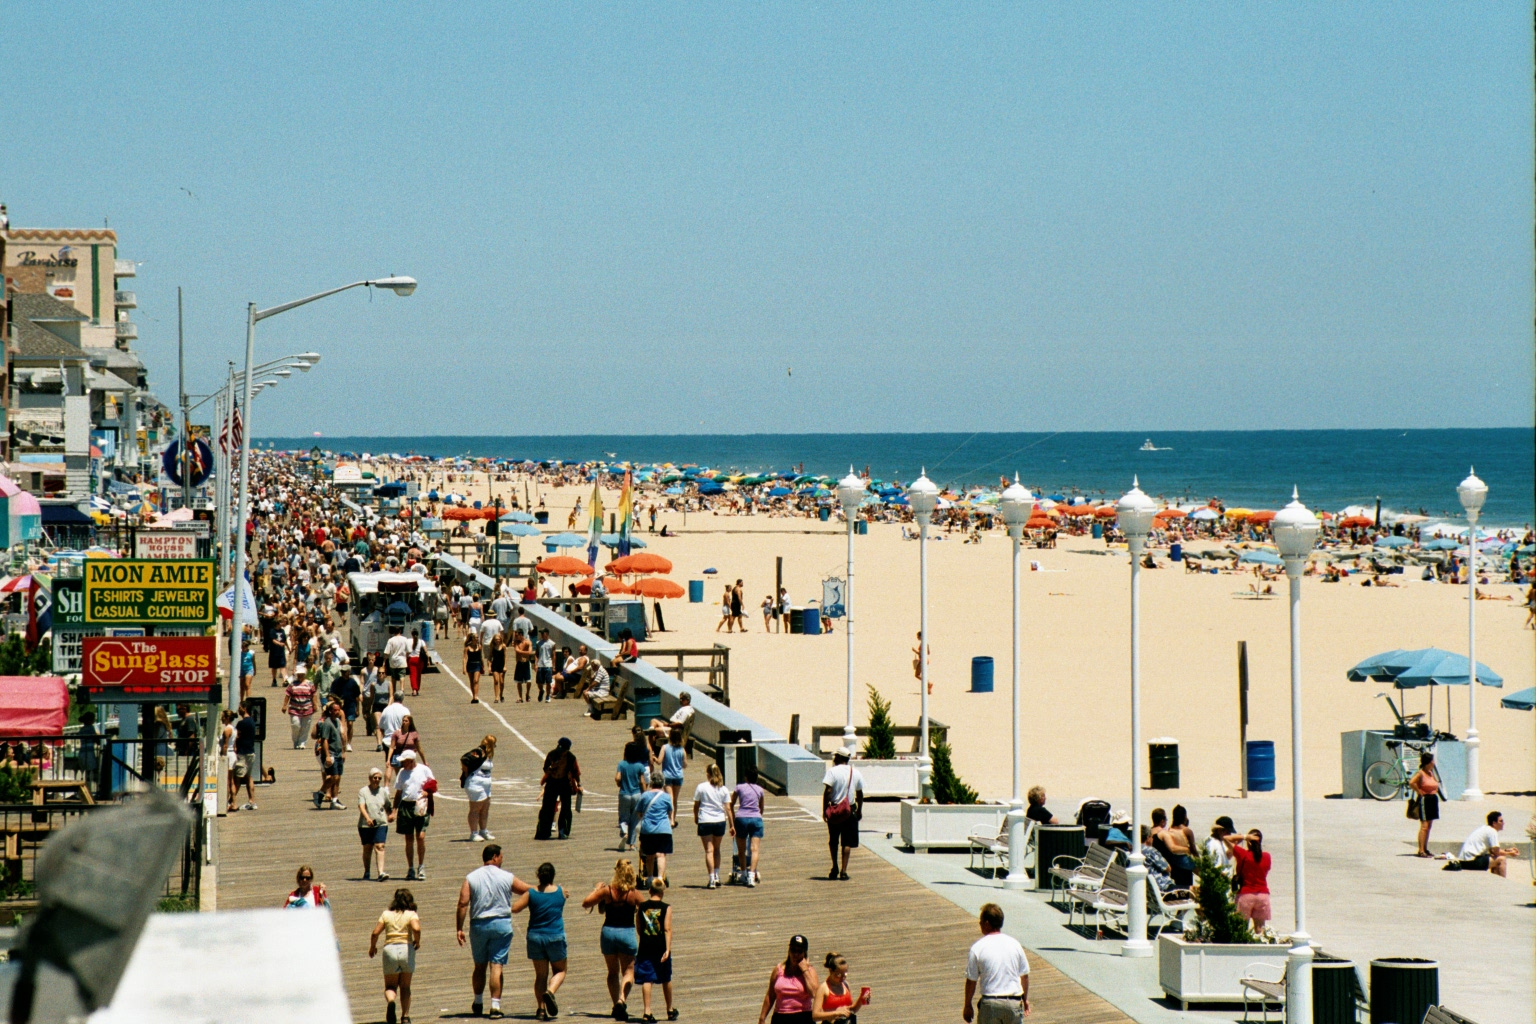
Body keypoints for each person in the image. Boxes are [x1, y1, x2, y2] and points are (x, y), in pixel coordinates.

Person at [456, 844, 531, 1019]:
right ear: (495, 857)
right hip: (501, 924)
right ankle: (495, 1006)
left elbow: (463, 903)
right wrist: (548, 888)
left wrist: (459, 928)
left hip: (479, 925)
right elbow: (526, 889)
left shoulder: (471, 877)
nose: (502, 859)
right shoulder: (506, 877)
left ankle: (478, 1000)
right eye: (501, 857)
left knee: (479, 966)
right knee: (496, 965)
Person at [582, 859, 645, 1021]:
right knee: (629, 971)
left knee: (612, 972)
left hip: (608, 932)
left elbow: (586, 903)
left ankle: (614, 1003)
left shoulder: (607, 891)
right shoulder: (633, 893)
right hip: (627, 933)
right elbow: (648, 908)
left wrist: (596, 889)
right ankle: (621, 999)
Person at [513, 861, 567, 1021]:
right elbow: (564, 894)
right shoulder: (561, 891)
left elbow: (515, 908)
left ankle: (541, 1009)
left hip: (535, 937)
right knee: (560, 971)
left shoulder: (531, 893)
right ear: (553, 876)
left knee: (540, 976)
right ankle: (550, 992)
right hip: (555, 936)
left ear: (539, 876)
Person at [963, 903, 1030, 1023]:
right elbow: (1024, 976)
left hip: (991, 1004)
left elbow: (971, 981)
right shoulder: (1015, 944)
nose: (980, 924)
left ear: (987, 923)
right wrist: (1025, 1000)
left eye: (981, 921)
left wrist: (967, 1005)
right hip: (1013, 1003)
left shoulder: (978, 948)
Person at [368, 887, 421, 1024]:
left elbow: (375, 933)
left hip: (390, 950)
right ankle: (405, 1016)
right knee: (405, 986)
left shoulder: (386, 914)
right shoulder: (411, 914)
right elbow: (416, 928)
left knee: (390, 986)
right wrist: (417, 941)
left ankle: (391, 1001)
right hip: (406, 949)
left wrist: (373, 947)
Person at [634, 878, 676, 1022]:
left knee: (647, 978)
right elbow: (667, 929)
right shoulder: (666, 908)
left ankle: (647, 1011)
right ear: (662, 892)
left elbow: (638, 926)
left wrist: (644, 937)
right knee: (666, 977)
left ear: (650, 891)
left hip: (645, 946)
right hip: (661, 947)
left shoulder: (642, 906)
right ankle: (669, 1009)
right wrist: (668, 949)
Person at [391, 750, 436, 881]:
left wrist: (427, 792)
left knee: (421, 836)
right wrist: (394, 811)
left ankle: (421, 866)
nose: (402, 764)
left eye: (404, 761)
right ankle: (410, 867)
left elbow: (433, 784)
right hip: (406, 805)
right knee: (409, 838)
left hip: (420, 804)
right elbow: (399, 792)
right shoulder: (402, 773)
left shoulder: (424, 770)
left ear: (411, 761)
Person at [821, 749, 864, 880]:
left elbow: (828, 791)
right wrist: (859, 810)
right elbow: (860, 794)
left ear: (839, 757)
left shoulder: (832, 771)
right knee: (847, 842)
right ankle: (844, 870)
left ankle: (835, 867)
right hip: (849, 810)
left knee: (833, 841)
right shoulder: (855, 772)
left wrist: (824, 809)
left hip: (835, 810)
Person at [758, 934, 818, 1024]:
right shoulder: (779, 969)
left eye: (799, 951)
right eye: (793, 950)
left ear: (804, 953)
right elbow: (770, 995)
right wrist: (762, 1018)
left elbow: (814, 993)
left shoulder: (810, 971)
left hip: (803, 1016)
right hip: (781, 1016)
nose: (795, 954)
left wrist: (805, 970)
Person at [694, 762, 733, 889]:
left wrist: (696, 817)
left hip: (705, 820)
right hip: (719, 821)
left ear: (708, 774)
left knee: (708, 850)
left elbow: (696, 805)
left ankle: (711, 878)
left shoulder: (701, 787)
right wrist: (732, 825)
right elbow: (728, 808)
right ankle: (716, 875)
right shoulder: (724, 789)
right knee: (717, 849)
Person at [1223, 829, 1271, 930]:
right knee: (1260, 929)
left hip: (1246, 894)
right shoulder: (1267, 856)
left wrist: (1244, 837)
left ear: (1249, 842)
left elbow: (1226, 838)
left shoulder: (1243, 854)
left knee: (1240, 928)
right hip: (1262, 895)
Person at [536, 738, 582, 841]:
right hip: (552, 782)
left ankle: (563, 831)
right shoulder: (552, 754)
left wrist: (579, 785)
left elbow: (576, 772)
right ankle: (543, 831)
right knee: (547, 808)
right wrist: (552, 768)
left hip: (565, 782)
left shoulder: (571, 758)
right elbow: (545, 768)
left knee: (566, 808)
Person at [1451, 810, 1521, 876]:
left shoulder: (1485, 828)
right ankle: (1502, 883)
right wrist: (1510, 853)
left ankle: (1496, 882)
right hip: (1471, 861)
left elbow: (1493, 851)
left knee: (1495, 858)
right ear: (1494, 823)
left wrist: (1507, 850)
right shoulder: (1492, 831)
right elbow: (1496, 852)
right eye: (1501, 821)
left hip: (1465, 860)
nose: (1503, 823)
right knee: (1502, 859)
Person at [731, 764, 767, 886]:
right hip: (756, 818)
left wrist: (732, 816)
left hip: (741, 818)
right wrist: (757, 815)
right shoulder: (760, 790)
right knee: (754, 849)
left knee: (741, 850)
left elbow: (731, 803)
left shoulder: (739, 787)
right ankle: (752, 875)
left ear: (746, 777)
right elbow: (761, 807)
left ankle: (744, 874)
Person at [636, 774, 675, 886]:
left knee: (649, 855)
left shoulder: (645, 796)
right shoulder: (666, 797)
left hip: (648, 829)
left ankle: (649, 878)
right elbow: (670, 811)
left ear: (651, 783)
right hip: (663, 829)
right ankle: (660, 878)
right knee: (661, 855)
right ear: (662, 783)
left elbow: (639, 812)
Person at [813, 952, 868, 1023]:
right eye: (838, 974)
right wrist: (836, 1013)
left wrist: (861, 999)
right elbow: (815, 1015)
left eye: (845, 974)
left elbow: (852, 1009)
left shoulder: (845, 985)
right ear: (830, 971)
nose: (842, 978)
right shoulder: (823, 988)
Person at [359, 766, 393, 880]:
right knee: (367, 848)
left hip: (381, 823)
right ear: (370, 778)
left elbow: (388, 805)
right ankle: (367, 871)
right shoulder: (363, 791)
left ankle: (381, 872)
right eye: (375, 777)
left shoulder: (383, 792)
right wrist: (367, 818)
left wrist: (391, 815)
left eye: (379, 778)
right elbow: (361, 806)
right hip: (365, 825)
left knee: (380, 846)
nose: (377, 780)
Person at [616, 741, 650, 852]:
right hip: (636, 794)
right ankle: (632, 844)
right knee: (635, 820)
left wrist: (619, 784)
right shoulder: (639, 766)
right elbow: (642, 781)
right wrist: (645, 794)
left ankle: (624, 832)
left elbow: (617, 778)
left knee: (623, 818)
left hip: (624, 794)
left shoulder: (622, 764)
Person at [313, 702, 347, 810]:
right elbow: (325, 740)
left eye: (339, 710)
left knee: (338, 778)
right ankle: (320, 793)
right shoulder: (327, 723)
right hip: (330, 753)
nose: (337, 712)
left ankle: (334, 800)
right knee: (334, 776)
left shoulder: (337, 722)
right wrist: (327, 755)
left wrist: (343, 752)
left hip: (338, 753)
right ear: (330, 711)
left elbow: (340, 739)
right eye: (335, 710)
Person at [463, 734, 497, 841]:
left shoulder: (489, 755)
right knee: (475, 809)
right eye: (494, 745)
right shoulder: (478, 752)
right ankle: (473, 833)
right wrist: (466, 773)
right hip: (475, 783)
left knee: (485, 808)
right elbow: (464, 759)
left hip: (486, 785)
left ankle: (483, 831)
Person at [1409, 752, 1442, 858]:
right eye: (1432, 761)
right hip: (1425, 799)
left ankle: (1425, 848)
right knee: (1424, 826)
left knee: (1429, 826)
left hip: (1433, 799)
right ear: (1428, 762)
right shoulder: (1421, 773)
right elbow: (1411, 783)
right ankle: (1421, 850)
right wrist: (1419, 792)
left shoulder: (1430, 772)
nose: (1434, 762)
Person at [231, 701, 258, 811]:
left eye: (240, 707)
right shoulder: (252, 722)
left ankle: (231, 801)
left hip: (242, 753)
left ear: (245, 708)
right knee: (248, 777)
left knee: (237, 778)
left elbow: (237, 737)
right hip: (251, 752)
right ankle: (252, 800)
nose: (238, 709)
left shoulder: (241, 724)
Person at [282, 672, 317, 749]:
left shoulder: (310, 684)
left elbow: (313, 695)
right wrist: (284, 705)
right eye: (299, 675)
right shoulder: (292, 684)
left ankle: (302, 742)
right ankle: (296, 741)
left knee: (305, 727)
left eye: (302, 674)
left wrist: (315, 705)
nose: (300, 676)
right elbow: (287, 695)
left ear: (305, 675)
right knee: (295, 725)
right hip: (295, 708)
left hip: (307, 708)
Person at [660, 725, 686, 825]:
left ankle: (670, 819)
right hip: (678, 776)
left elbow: (659, 761)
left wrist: (653, 757)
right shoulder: (682, 749)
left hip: (667, 775)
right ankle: (673, 819)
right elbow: (685, 764)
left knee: (669, 798)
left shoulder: (665, 747)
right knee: (675, 799)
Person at [384, 625, 412, 699]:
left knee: (393, 676)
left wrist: (384, 661)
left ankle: (393, 690)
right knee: (402, 675)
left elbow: (387, 652)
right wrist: (406, 657)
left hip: (393, 660)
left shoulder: (391, 640)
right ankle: (402, 689)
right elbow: (409, 651)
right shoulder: (405, 639)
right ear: (400, 631)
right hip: (402, 660)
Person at [513, 630, 535, 703]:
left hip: (526, 663)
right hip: (519, 663)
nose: (515, 637)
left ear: (521, 635)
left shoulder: (528, 642)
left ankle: (527, 693)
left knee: (528, 681)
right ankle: (520, 697)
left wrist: (521, 652)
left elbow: (529, 652)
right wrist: (523, 652)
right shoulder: (516, 643)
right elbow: (517, 650)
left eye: (517, 635)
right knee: (519, 681)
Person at [464, 631, 486, 704]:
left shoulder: (479, 646)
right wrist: (464, 668)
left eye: (477, 637)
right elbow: (464, 658)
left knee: (476, 680)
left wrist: (483, 665)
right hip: (470, 664)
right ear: (472, 638)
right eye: (476, 637)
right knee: (471, 681)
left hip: (477, 664)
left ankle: (476, 696)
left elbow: (481, 657)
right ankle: (473, 696)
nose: (477, 638)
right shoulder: (467, 647)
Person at [536, 629, 556, 703]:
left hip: (548, 664)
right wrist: (536, 664)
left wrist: (553, 665)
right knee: (539, 682)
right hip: (540, 664)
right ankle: (541, 690)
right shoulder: (539, 643)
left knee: (548, 682)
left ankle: (547, 695)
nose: (541, 635)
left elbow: (553, 655)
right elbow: (537, 654)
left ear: (547, 634)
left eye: (543, 633)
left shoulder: (552, 643)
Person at [407, 628, 427, 696]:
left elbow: (407, 651)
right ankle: (417, 688)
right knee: (418, 675)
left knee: (413, 675)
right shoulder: (421, 641)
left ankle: (414, 689)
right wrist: (428, 661)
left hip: (411, 659)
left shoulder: (408, 641)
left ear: (411, 634)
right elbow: (426, 651)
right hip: (419, 660)